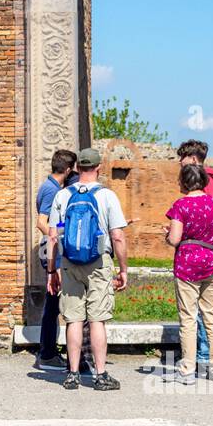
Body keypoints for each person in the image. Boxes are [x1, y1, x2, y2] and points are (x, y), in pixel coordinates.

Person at [49, 147, 129, 391]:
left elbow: (53, 237)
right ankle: (100, 374)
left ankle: (72, 374)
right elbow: (117, 237)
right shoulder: (107, 195)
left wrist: (52, 271)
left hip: (70, 261)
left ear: (77, 168)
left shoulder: (63, 196)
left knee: (73, 319)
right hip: (98, 261)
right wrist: (123, 269)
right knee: (97, 320)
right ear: (98, 168)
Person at [165, 163, 213, 384]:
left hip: (188, 264)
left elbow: (174, 239)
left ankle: (187, 370)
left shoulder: (180, 205)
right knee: (211, 316)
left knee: (189, 319)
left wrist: (168, 234)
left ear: (183, 182)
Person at [177, 139, 213, 368]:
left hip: (197, 256)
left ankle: (205, 356)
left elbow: (203, 224)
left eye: (183, 158)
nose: (180, 162)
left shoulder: (201, 185)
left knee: (201, 313)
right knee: (212, 312)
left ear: (194, 160)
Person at [34, 149, 79, 372]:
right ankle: (47, 354)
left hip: (52, 248)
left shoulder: (47, 186)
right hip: (53, 250)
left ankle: (49, 351)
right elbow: (42, 221)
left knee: (53, 303)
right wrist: (60, 234)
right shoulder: (52, 190)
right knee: (53, 304)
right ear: (69, 169)